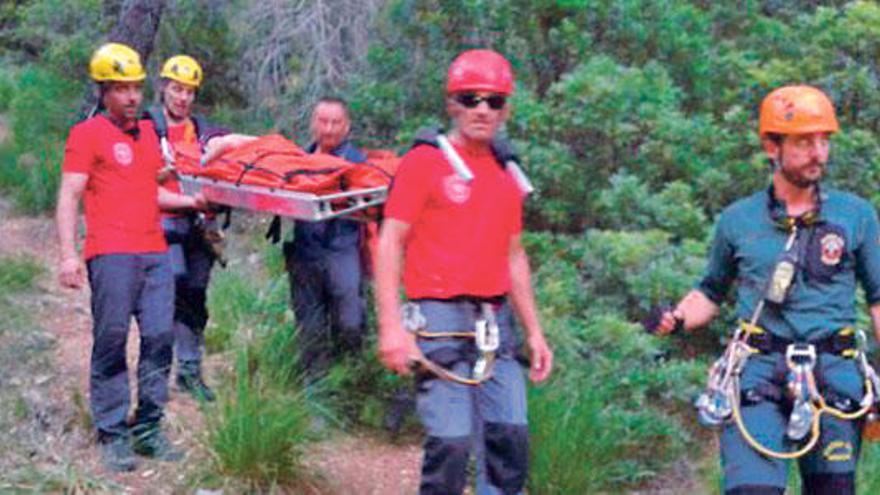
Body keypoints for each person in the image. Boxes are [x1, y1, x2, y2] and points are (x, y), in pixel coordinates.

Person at [654, 85, 880, 495]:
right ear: (771, 145)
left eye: (824, 140)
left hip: (833, 372)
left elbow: (879, 299)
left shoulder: (855, 216)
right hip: (758, 369)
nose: (818, 153)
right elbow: (710, 291)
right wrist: (678, 316)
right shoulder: (739, 220)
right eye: (804, 141)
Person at [375, 49, 553, 494]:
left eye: (493, 101)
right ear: (452, 103)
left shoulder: (506, 172)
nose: (482, 110)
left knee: (510, 438)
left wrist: (535, 332)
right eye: (471, 98)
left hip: (495, 324)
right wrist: (392, 329)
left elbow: (514, 256)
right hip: (437, 322)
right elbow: (389, 242)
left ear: (506, 108)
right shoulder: (425, 163)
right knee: (451, 444)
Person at [55, 42, 203, 472]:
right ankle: (113, 432)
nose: (133, 96)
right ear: (104, 91)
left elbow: (148, 191)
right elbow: (69, 194)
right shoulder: (87, 134)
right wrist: (68, 255)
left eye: (136, 87)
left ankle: (149, 428)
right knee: (112, 339)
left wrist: (194, 203)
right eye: (122, 88)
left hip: (155, 250)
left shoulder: (148, 137)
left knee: (159, 339)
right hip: (111, 252)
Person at [150, 54, 226, 401]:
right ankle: (156, 371)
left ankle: (190, 370)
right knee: (173, 289)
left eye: (189, 92)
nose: (183, 98)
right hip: (162, 222)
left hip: (199, 224)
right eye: (177, 89)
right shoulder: (148, 128)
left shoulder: (204, 132)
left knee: (195, 294)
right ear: (164, 88)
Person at [282, 97, 367, 377]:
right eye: (323, 121)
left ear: (347, 126)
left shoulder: (359, 165)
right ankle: (317, 396)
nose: (328, 129)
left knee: (350, 322)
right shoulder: (296, 162)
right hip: (305, 252)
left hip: (343, 251)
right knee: (310, 327)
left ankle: (350, 379)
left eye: (335, 122)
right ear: (312, 123)